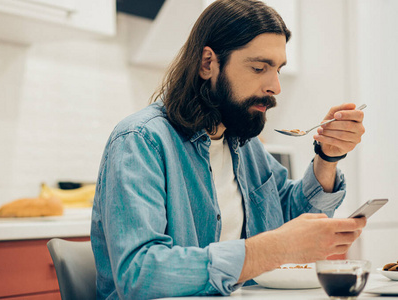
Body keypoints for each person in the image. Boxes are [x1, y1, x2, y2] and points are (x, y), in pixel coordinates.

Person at [90, 0, 366, 299]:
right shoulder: (141, 140)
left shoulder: (243, 144)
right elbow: (140, 274)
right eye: (259, 67)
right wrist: (271, 249)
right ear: (208, 63)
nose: (275, 86)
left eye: (278, 69)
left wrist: (327, 158)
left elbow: (289, 219)